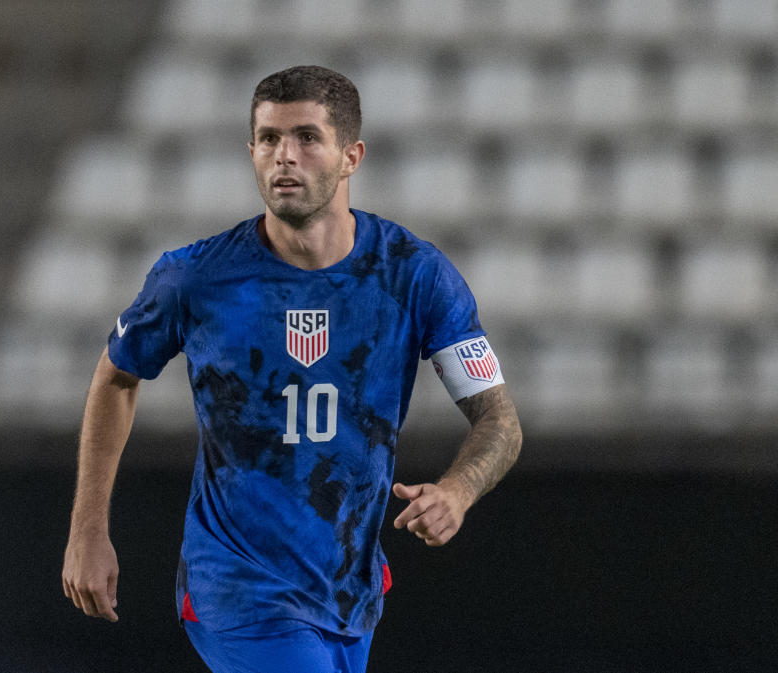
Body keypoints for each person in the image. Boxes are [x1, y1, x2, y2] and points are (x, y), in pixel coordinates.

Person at [62, 65, 523, 673]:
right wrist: (87, 530)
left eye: (307, 137)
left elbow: (499, 420)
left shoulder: (414, 275)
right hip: (239, 586)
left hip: (348, 589)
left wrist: (459, 491)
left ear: (351, 155)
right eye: (269, 139)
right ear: (250, 150)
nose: (285, 156)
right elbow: (117, 376)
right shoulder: (195, 277)